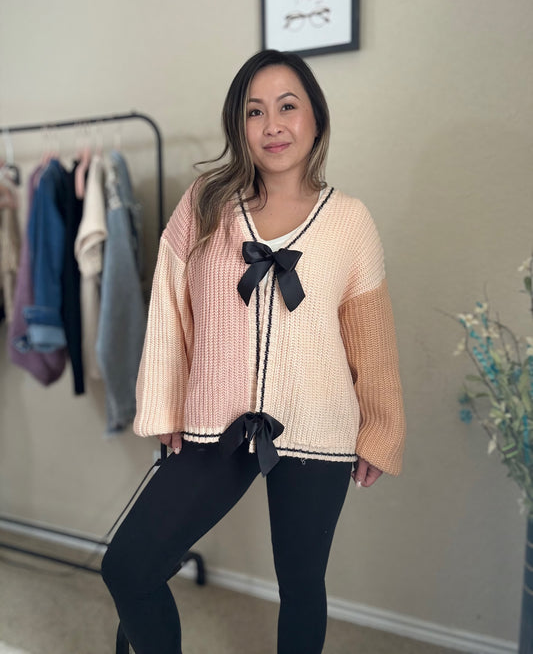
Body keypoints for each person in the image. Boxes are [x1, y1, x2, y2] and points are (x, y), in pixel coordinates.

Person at [101, 49, 406, 654]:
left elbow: (371, 337)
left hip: (319, 425)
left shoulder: (350, 220)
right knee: (129, 568)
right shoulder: (205, 205)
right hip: (217, 422)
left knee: (301, 587)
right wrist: (162, 408)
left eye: (287, 107)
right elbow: (169, 308)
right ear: (238, 127)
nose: (273, 125)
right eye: (254, 112)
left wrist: (381, 429)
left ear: (315, 117)